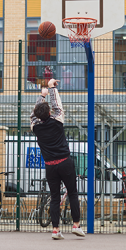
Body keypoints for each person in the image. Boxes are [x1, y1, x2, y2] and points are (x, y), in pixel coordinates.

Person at [30, 78, 85, 240]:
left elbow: (34, 113)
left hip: (50, 165)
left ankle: (55, 229)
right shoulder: (57, 120)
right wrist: (51, 87)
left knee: (54, 197)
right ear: (49, 113)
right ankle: (76, 225)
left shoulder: (35, 126)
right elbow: (58, 106)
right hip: (65, 162)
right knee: (73, 193)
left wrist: (42, 95)